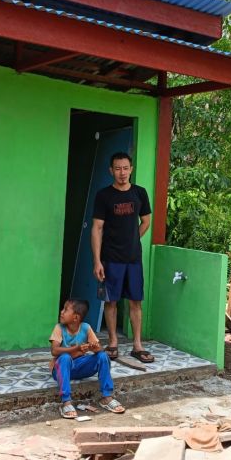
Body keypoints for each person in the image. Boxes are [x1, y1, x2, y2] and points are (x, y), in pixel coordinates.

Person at [91, 151, 155, 363]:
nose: (122, 173)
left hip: (133, 259)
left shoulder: (140, 193)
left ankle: (137, 345)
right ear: (111, 171)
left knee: (136, 301)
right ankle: (113, 342)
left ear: (131, 169)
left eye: (125, 168)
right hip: (110, 258)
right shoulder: (104, 196)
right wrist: (97, 260)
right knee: (111, 302)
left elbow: (146, 221)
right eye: (117, 168)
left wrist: (132, 238)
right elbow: (97, 228)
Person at [50, 299, 125, 418]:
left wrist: (93, 348)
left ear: (75, 317)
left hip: (80, 367)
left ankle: (107, 397)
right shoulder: (59, 328)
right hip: (60, 370)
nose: (61, 312)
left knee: (103, 355)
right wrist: (76, 349)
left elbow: (98, 348)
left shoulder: (86, 328)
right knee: (65, 357)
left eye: (65, 310)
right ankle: (66, 402)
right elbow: (54, 351)